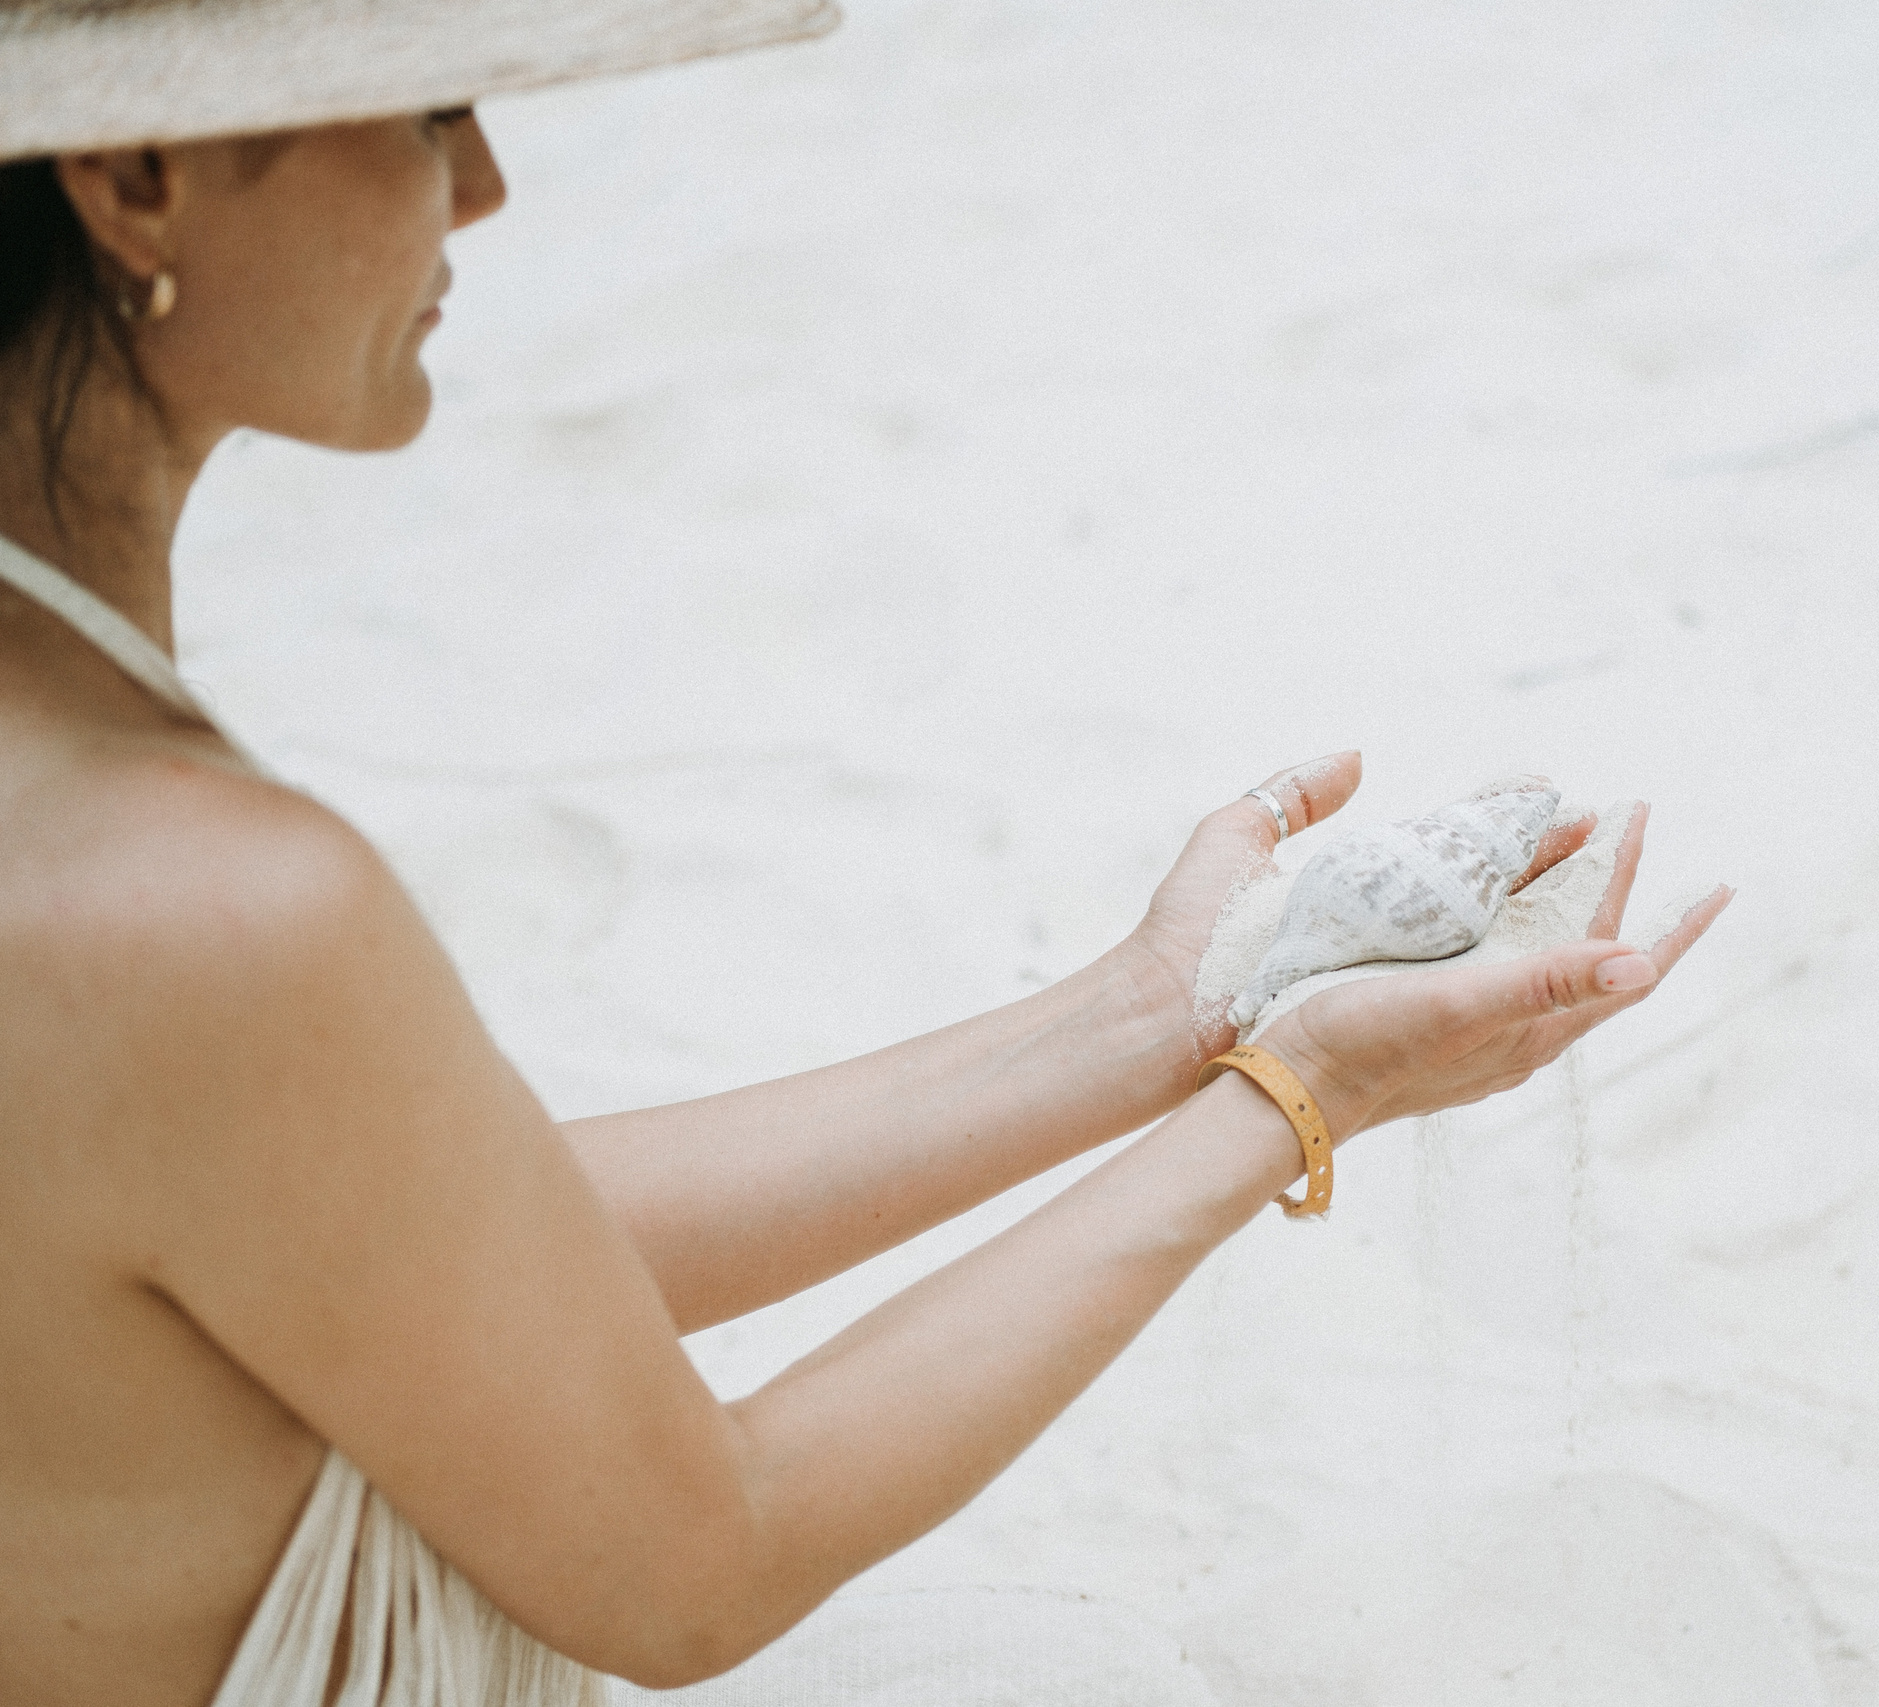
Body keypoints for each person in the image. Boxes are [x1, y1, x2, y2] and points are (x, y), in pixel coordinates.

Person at [0, 4, 1728, 1704]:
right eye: (433, 108)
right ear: (139, 172)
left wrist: (1155, 1014)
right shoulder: (208, 902)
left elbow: (406, 1240)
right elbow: (697, 1569)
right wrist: (1297, 1101)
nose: (486, 186)